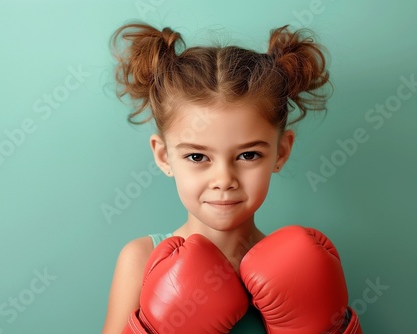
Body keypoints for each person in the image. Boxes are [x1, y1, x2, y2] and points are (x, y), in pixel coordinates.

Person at [102, 22, 362, 334]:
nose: (224, 179)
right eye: (197, 157)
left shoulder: (305, 267)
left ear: (281, 152)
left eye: (248, 155)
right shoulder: (142, 259)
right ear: (163, 156)